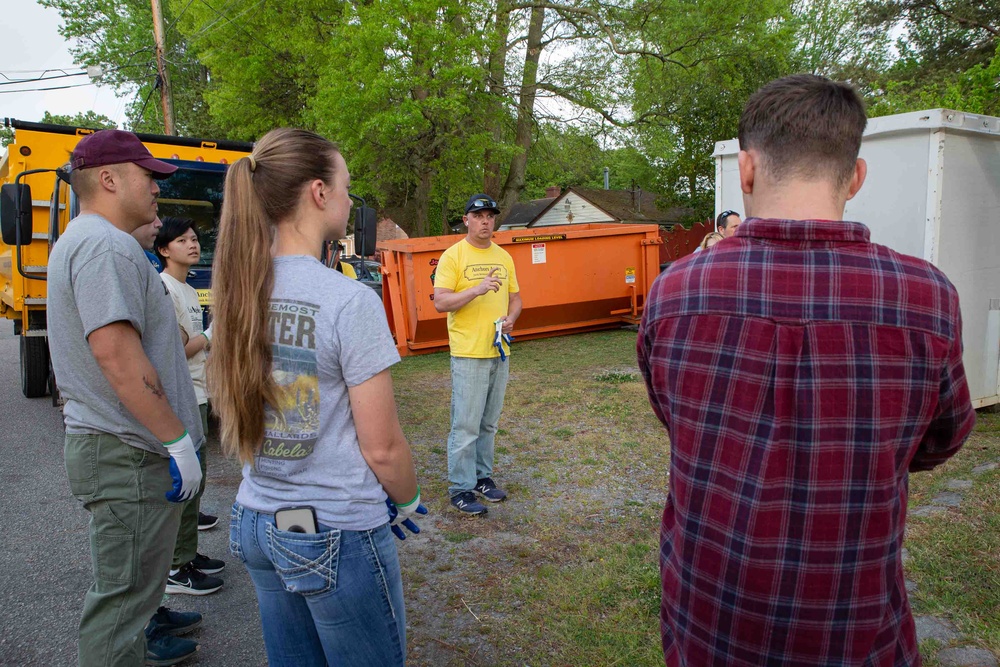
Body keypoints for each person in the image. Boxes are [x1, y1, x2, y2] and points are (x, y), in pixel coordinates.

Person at [637, 74, 976, 666]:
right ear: (856, 176)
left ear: (746, 171)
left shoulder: (674, 294)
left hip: (708, 621)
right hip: (855, 627)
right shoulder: (926, 299)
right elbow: (941, 439)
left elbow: (675, 417)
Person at [208, 128, 425, 667]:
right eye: (346, 185)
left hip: (256, 518)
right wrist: (407, 499)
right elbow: (383, 448)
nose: (351, 199)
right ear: (318, 192)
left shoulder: (237, 291)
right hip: (335, 528)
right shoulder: (348, 299)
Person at [48, 129, 205, 666]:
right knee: (121, 609)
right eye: (148, 176)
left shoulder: (93, 241)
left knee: (131, 598)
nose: (159, 187)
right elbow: (116, 352)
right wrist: (177, 440)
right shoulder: (103, 244)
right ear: (109, 179)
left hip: (122, 452)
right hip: (129, 454)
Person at [433, 194, 522, 515]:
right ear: (466, 219)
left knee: (489, 423)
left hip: (498, 349)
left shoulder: (504, 257)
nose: (485, 221)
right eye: (479, 215)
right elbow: (440, 302)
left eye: (490, 216)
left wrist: (512, 318)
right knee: (466, 424)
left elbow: (516, 298)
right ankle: (460, 487)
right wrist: (476, 289)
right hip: (468, 352)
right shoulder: (452, 257)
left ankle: (483, 477)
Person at [153, 216, 226, 595]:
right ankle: (176, 569)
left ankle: (188, 554)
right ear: (164, 250)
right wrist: (212, 335)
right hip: (184, 395)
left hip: (198, 391)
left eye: (195, 239)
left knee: (197, 482)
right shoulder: (165, 288)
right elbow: (177, 350)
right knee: (187, 482)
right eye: (182, 240)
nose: (193, 245)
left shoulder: (186, 287)